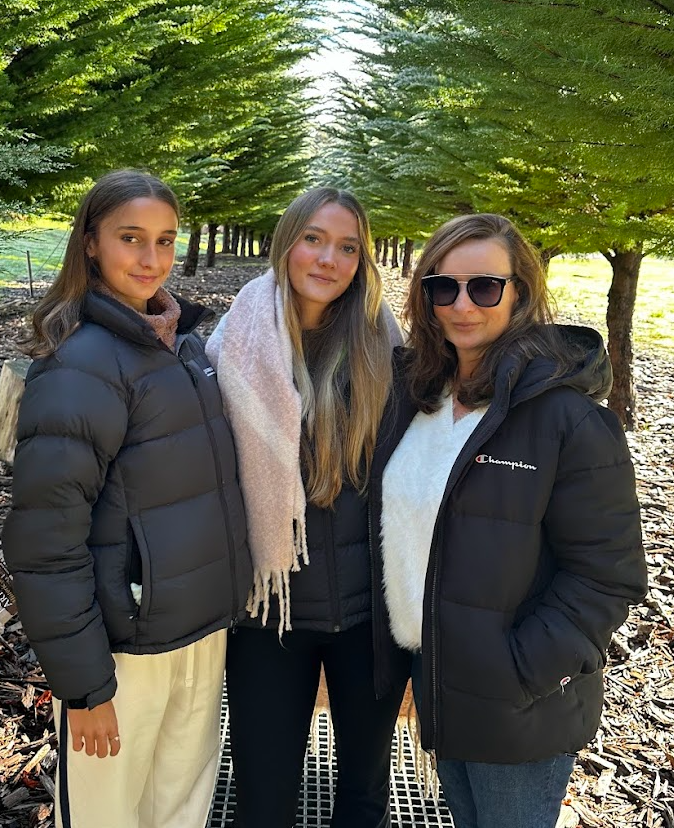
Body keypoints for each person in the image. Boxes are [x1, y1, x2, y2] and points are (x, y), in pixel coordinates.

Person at [370, 213, 648, 828]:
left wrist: (520, 671)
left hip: (518, 701)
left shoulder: (566, 420)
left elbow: (608, 575)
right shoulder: (422, 398)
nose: (462, 304)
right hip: (441, 681)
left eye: (484, 286)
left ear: (520, 291)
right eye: (443, 287)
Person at [2, 169, 252, 828]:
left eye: (166, 240)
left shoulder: (186, 346)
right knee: (110, 815)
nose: (151, 259)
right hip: (125, 651)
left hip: (198, 635)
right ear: (90, 243)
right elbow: (45, 540)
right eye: (131, 238)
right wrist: (85, 688)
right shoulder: (80, 364)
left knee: (179, 810)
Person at [206, 188, 407, 828]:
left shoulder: (385, 342)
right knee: (263, 798)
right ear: (286, 241)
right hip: (270, 610)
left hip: (368, 614)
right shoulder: (240, 336)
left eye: (348, 247)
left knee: (363, 796)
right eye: (314, 239)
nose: (329, 259)